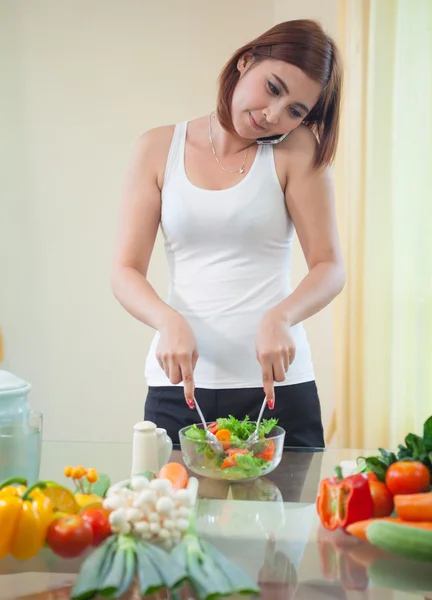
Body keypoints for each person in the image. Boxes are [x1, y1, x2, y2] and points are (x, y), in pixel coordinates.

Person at [111, 19, 345, 446]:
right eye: (273, 88)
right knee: (173, 514)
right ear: (246, 61)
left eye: (296, 110)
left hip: (278, 389)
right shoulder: (159, 147)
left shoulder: (296, 151)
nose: (274, 115)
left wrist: (282, 316)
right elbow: (125, 271)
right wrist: (167, 320)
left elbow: (329, 267)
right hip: (179, 385)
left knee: (291, 514)